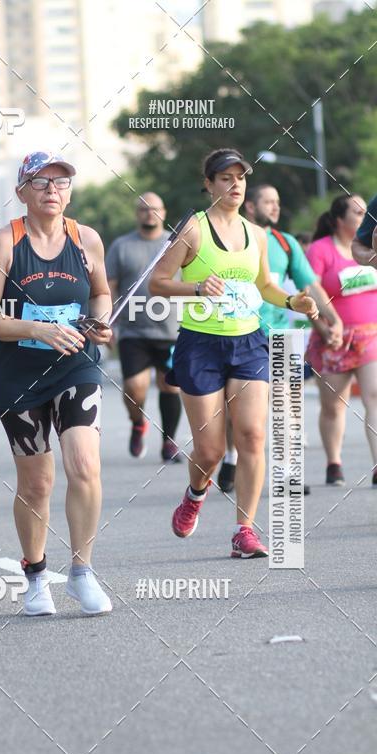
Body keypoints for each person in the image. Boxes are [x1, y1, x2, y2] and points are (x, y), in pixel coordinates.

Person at [149, 148, 317, 558]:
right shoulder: (192, 229)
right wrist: (196, 287)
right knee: (210, 450)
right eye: (225, 178)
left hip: (248, 342)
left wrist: (294, 301)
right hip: (200, 344)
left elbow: (264, 287)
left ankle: (245, 530)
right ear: (209, 185)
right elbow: (157, 282)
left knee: (253, 435)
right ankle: (194, 494)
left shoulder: (256, 234)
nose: (234, 184)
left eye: (240, 177)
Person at [0, 151, 113, 615]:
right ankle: (36, 576)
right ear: (21, 193)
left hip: (77, 365)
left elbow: (100, 293)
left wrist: (100, 322)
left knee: (85, 464)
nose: (52, 190)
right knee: (37, 484)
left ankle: (82, 572)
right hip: (20, 375)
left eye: (61, 182)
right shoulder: (5, 242)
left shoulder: (86, 239)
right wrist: (37, 329)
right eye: (41, 183)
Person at [217, 183, 342, 494]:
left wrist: (333, 319)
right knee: (237, 411)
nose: (274, 207)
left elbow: (311, 287)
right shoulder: (234, 238)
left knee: (286, 404)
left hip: (279, 337)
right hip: (237, 334)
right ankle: (232, 457)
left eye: (277, 202)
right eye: (267, 202)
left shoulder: (286, 244)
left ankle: (287, 474)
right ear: (250, 207)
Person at [306, 194, 377, 487]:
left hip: (370, 335)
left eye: (364, 213)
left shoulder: (370, 249)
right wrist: (323, 328)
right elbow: (309, 290)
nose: (362, 218)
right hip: (334, 337)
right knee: (334, 405)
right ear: (339, 219)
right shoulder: (320, 250)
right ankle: (334, 461)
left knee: (374, 396)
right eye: (357, 213)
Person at [105, 193, 182, 461]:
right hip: (133, 331)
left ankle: (169, 442)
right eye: (144, 209)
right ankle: (138, 423)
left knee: (170, 386)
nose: (150, 213)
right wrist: (108, 321)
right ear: (137, 213)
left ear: (164, 211)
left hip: (173, 331)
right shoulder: (121, 246)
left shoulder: (176, 244)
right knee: (135, 388)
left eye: (155, 209)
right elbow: (109, 287)